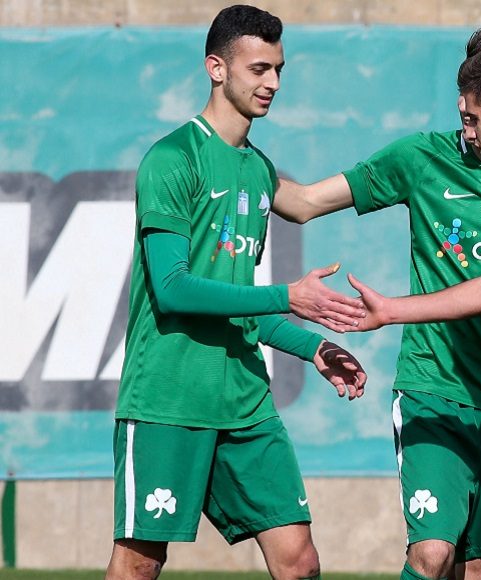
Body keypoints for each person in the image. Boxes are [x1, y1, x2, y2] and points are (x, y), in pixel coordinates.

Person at [273, 25, 481, 580]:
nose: (467, 124)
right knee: (433, 553)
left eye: (474, 112)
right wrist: (227, 158)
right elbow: (302, 203)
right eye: (462, 110)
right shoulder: (421, 159)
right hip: (434, 387)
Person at [106, 6, 367, 579]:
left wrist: (314, 348)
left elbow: (238, 298)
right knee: (139, 564)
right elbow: (173, 289)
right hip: (170, 400)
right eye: (258, 69)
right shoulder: (173, 159)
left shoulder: (258, 170)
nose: (273, 83)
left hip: (245, 400)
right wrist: (287, 297)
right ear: (216, 68)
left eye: (278, 69)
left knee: (299, 560)